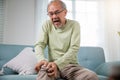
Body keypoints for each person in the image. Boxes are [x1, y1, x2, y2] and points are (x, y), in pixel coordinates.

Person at [34, 0, 98, 80]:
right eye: (51, 14)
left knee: (91, 76)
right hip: (51, 66)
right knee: (43, 77)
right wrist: (42, 60)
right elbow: (40, 45)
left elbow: (74, 49)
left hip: (70, 66)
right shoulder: (46, 25)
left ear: (65, 12)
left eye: (57, 12)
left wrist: (57, 64)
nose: (54, 17)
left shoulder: (74, 25)